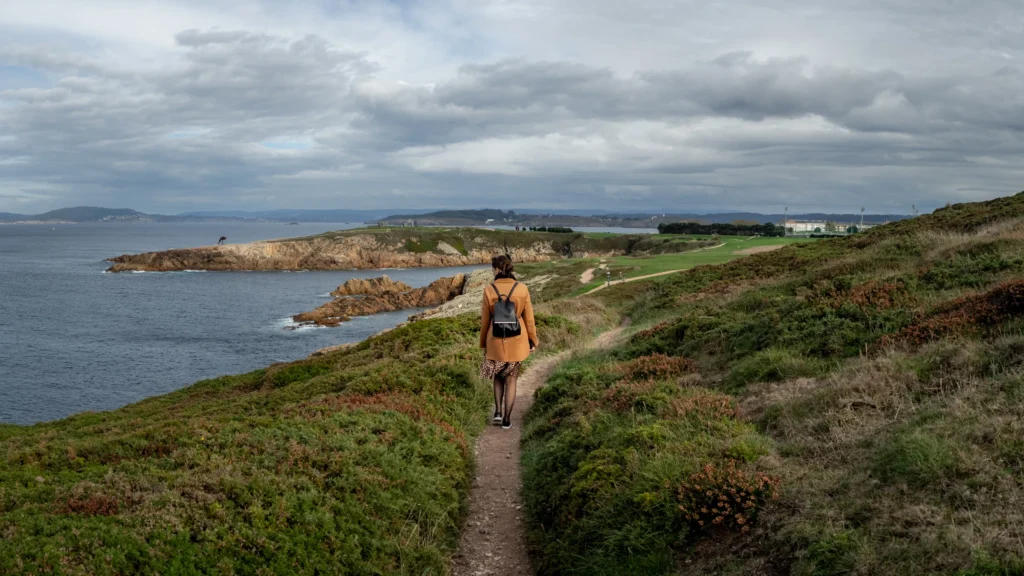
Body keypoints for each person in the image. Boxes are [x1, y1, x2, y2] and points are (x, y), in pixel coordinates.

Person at [480, 254, 538, 429]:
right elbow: (529, 320)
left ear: (497, 269)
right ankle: (506, 420)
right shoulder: (522, 288)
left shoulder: (489, 290)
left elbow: (484, 322)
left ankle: (497, 412)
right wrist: (533, 340)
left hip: (495, 340)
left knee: (497, 376)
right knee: (511, 378)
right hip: (517, 339)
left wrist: (483, 343)